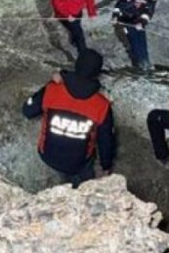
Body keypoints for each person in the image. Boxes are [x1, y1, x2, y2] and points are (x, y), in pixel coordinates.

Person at [22, 49, 115, 188]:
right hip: (78, 164)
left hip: (48, 155)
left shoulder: (52, 90)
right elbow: (106, 142)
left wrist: (56, 80)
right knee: (86, 176)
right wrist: (106, 166)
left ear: (76, 66)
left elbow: (28, 111)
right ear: (97, 74)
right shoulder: (101, 105)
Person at [111, 0, 164, 72]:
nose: (155, 1)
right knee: (134, 41)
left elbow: (149, 11)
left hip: (138, 19)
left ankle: (146, 61)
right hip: (126, 19)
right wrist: (116, 16)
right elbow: (120, 5)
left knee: (142, 40)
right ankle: (139, 63)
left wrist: (142, 22)